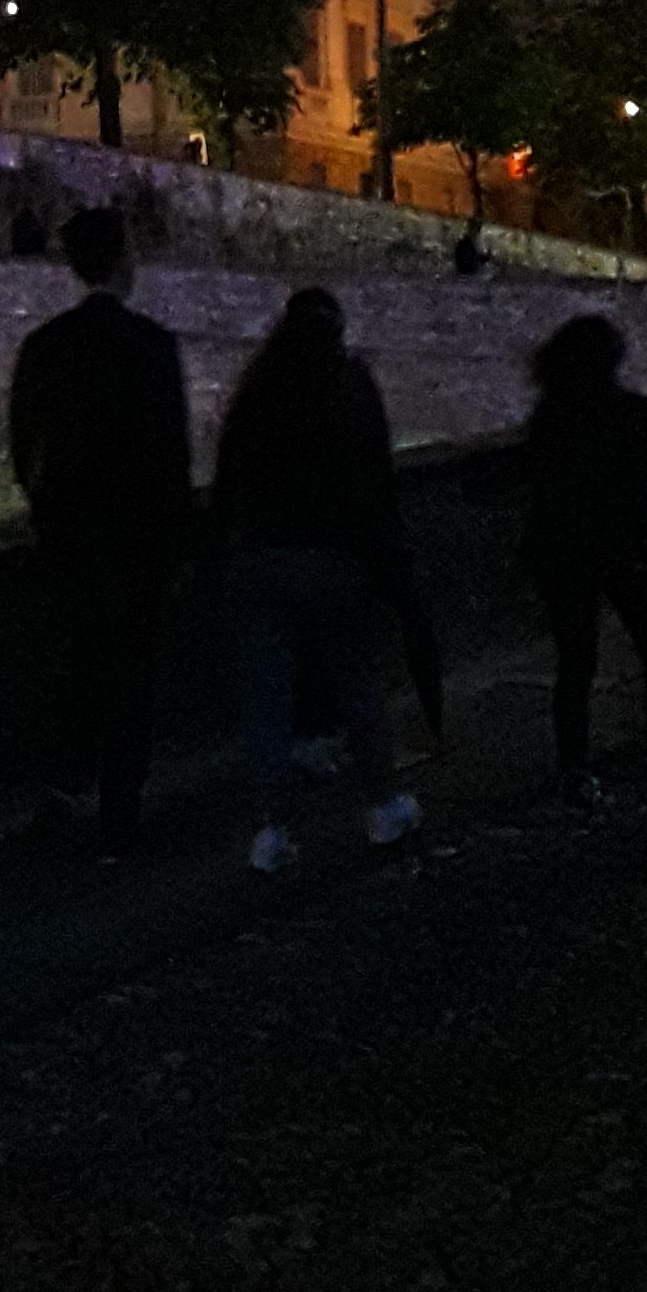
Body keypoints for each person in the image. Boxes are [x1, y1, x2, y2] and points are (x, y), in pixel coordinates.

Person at [211, 285, 423, 872]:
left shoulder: (258, 390)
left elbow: (228, 478)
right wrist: (387, 563)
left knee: (267, 699)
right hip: (330, 558)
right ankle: (380, 804)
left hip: (259, 558)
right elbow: (374, 482)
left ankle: (271, 829)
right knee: (357, 683)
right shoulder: (348, 387)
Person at [6, 207, 193, 859]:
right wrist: (175, 540)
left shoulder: (45, 346)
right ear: (120, 262)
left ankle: (66, 792)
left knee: (76, 667)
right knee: (133, 679)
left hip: (71, 538)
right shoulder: (152, 345)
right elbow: (173, 456)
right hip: (137, 540)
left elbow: (22, 443)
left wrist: (47, 509)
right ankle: (119, 816)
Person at [522, 315, 647, 803]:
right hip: (629, 554)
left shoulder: (550, 418)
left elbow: (544, 498)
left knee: (575, 663)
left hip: (568, 555)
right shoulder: (627, 413)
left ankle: (574, 767)